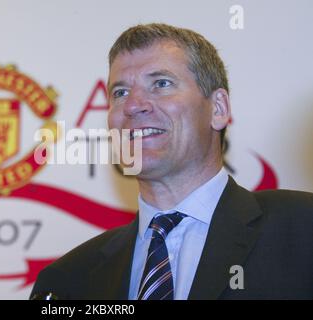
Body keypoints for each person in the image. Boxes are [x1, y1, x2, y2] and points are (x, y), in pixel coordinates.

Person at [30, 23, 313, 300]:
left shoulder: (302, 228)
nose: (133, 105)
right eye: (120, 93)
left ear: (218, 109)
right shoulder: (66, 282)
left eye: (161, 84)